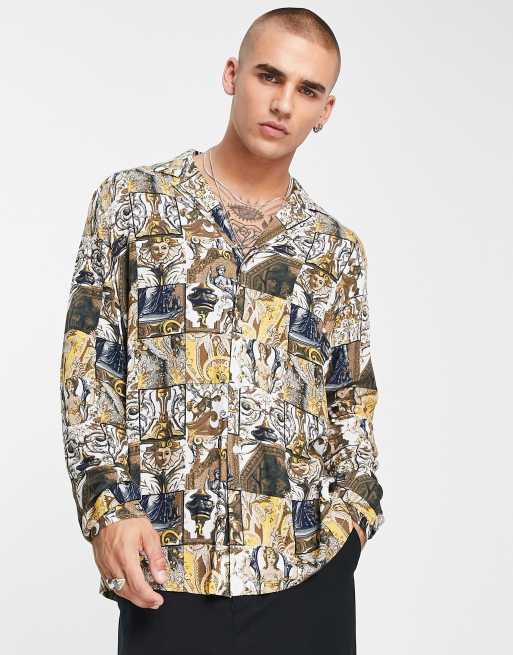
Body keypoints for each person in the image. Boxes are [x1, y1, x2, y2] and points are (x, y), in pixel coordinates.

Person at [59, 7, 385, 654]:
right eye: (269, 76)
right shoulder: (132, 203)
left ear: (325, 110)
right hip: (169, 573)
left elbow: (351, 403)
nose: (283, 103)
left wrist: (350, 527)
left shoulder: (334, 249)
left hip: (304, 576)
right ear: (233, 75)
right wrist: (106, 511)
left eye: (307, 90)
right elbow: (87, 370)